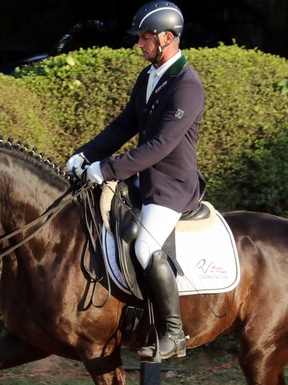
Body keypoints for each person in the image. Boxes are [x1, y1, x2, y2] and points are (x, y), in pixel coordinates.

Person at [66, 1, 205, 362]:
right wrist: (85, 155)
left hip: (172, 185)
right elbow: (124, 126)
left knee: (145, 247)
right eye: (140, 38)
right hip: (144, 180)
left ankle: (173, 334)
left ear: (168, 38)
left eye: (145, 38)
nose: (139, 45)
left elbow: (161, 145)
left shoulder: (187, 85)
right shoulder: (149, 76)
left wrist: (107, 170)